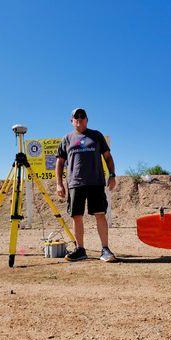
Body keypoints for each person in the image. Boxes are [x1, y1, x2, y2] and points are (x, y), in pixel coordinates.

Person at [56, 108, 117, 262]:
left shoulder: (96, 135)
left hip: (96, 182)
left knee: (100, 214)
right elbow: (60, 162)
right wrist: (59, 183)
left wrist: (112, 175)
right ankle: (80, 249)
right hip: (75, 183)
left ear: (87, 120)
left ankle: (105, 249)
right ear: (71, 121)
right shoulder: (67, 139)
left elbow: (108, 157)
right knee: (76, 216)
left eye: (82, 116)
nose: (79, 119)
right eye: (76, 117)